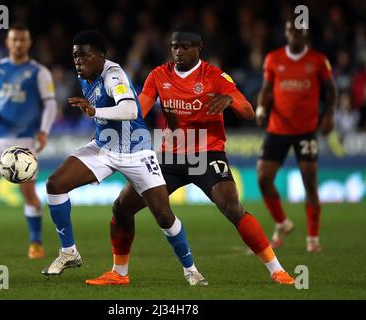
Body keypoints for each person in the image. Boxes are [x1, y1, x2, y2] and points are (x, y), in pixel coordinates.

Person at [86, 23, 294, 286]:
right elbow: (139, 111)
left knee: (231, 206)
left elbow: (248, 111)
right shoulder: (158, 75)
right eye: (174, 47)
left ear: (199, 49)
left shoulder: (215, 76)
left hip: (206, 153)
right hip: (168, 155)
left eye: (185, 47)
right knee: (122, 206)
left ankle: (277, 270)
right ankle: (119, 273)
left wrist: (229, 100)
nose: (179, 52)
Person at [41, 30, 207, 286]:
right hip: (103, 148)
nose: (78, 62)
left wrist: (94, 109)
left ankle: (191, 270)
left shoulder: (113, 75)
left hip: (136, 152)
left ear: (101, 56)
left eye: (84, 56)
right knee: (55, 184)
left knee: (163, 215)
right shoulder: (85, 75)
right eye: (75, 56)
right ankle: (69, 252)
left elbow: (130, 109)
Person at [0, 23, 58, 259]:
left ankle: (35, 242)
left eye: (22, 40)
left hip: (25, 139)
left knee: (28, 191)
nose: (18, 43)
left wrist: (44, 131)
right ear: (8, 43)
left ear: (29, 43)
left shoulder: (39, 71)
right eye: (14, 39)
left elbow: (49, 103)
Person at [256, 19, 337, 252]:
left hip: (306, 130)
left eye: (298, 31)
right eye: (290, 30)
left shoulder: (318, 60)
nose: (294, 35)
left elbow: (331, 90)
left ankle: (313, 239)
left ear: (305, 34)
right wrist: (262, 109)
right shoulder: (273, 58)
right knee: (263, 178)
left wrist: (329, 114)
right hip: (277, 128)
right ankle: (282, 222)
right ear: (286, 33)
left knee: (309, 182)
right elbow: (266, 90)